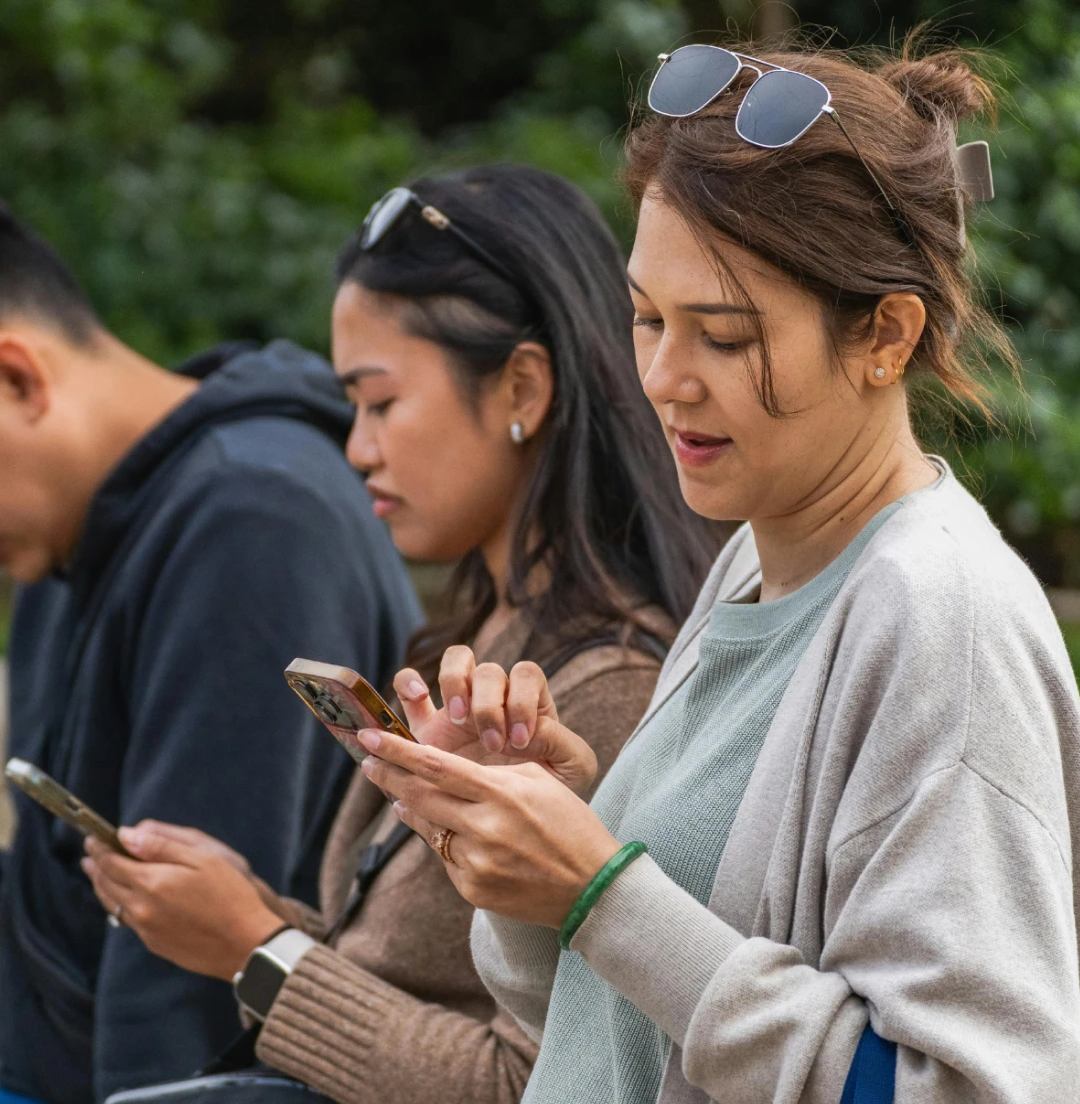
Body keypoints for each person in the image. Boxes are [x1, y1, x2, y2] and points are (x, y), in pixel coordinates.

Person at [359, 45, 1080, 1104]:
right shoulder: (750, 562)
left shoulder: (937, 621)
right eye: (646, 318)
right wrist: (535, 837)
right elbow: (615, 1034)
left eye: (722, 336)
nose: (665, 380)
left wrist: (599, 889)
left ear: (885, 337)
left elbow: (968, 1089)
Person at [0, 180, 423, 1103]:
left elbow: (196, 990)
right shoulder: (67, 536)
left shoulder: (250, 523)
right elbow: (116, 928)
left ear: (15, 375)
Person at [81, 164, 723, 1104]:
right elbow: (412, 978)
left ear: (523, 388)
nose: (357, 447)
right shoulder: (473, 638)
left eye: (381, 402)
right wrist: (253, 915)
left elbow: (531, 1081)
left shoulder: (608, 687)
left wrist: (255, 951)